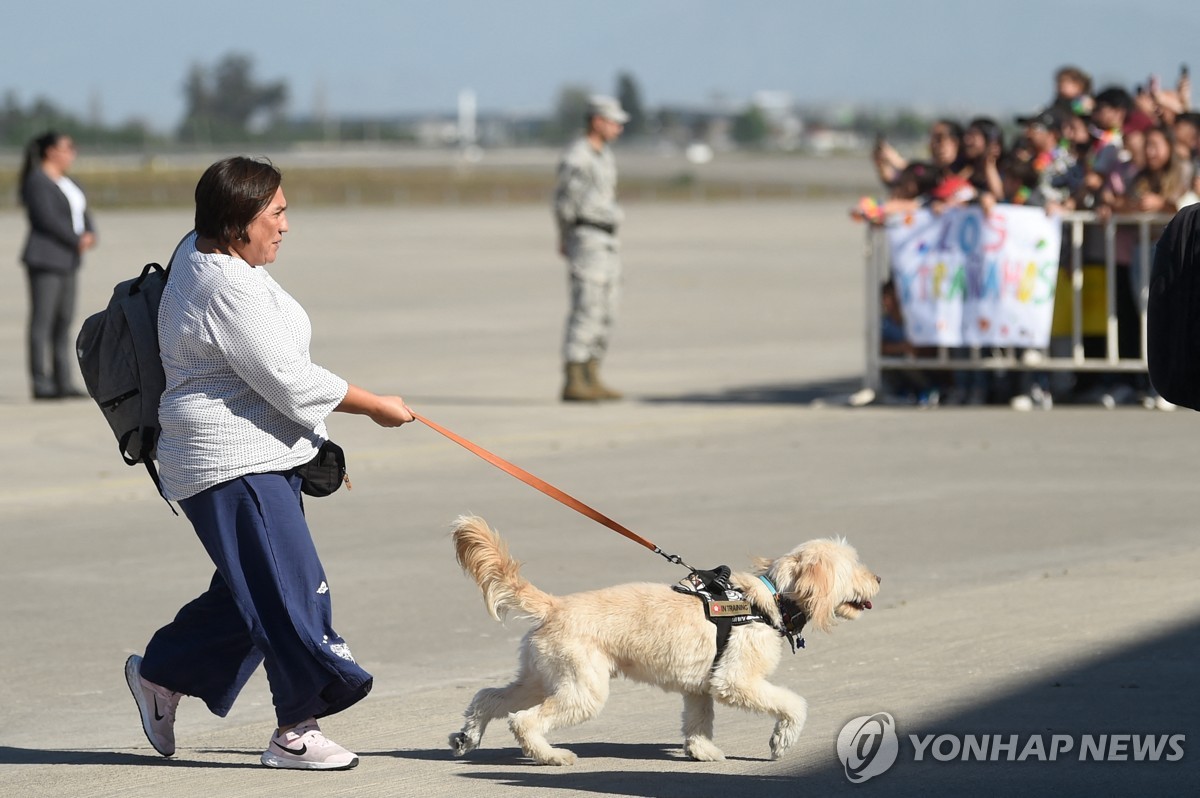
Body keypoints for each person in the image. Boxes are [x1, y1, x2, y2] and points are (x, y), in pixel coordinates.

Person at [123, 157, 416, 771]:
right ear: (237, 221)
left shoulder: (207, 253)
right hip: (230, 462)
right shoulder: (222, 286)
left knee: (249, 591)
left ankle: (163, 674)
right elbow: (289, 379)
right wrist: (375, 407)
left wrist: (309, 443)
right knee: (290, 590)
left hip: (254, 451)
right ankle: (295, 730)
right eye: (276, 212)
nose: (286, 225)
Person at [553, 95, 628, 401]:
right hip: (586, 237)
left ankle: (591, 372)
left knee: (607, 306)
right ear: (597, 121)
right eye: (613, 122)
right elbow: (564, 203)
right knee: (587, 306)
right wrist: (565, 237)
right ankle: (574, 378)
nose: (618, 129)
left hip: (608, 239)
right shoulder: (578, 157)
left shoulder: (604, 156)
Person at [18, 131, 96, 400]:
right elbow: (46, 219)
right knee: (43, 322)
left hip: (69, 260)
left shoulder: (69, 182)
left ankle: (64, 381)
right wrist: (76, 239)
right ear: (51, 151)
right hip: (46, 259)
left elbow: (82, 213)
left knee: (64, 321)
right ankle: (41, 382)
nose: (72, 152)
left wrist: (89, 233)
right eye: (68, 147)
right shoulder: (37, 181)